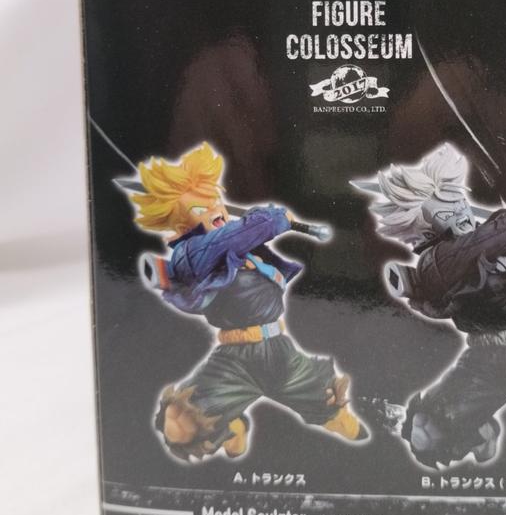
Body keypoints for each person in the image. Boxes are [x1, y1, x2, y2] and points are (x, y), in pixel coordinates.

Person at [354, 143, 506, 467]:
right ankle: (481, 432)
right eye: (449, 209)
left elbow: (492, 239)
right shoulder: (449, 255)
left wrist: (505, 224)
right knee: (427, 431)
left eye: (459, 203)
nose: (461, 212)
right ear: (428, 220)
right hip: (495, 357)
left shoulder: (447, 252)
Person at [128, 141, 367, 460]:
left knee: (326, 399)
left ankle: (338, 421)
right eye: (199, 209)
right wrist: (273, 220)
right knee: (182, 422)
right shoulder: (193, 251)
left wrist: (263, 220)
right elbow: (241, 234)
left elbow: (243, 237)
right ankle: (231, 428)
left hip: (278, 349)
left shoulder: (232, 244)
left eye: (214, 201)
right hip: (233, 360)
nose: (214, 210)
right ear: (180, 223)